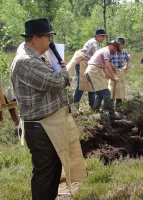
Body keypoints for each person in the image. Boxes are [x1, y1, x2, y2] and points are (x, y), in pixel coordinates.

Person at [10, 18, 86, 200]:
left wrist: (59, 69)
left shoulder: (33, 55)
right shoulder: (26, 61)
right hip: (40, 127)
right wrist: (72, 63)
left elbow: (53, 79)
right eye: (48, 37)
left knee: (52, 170)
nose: (50, 41)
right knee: (45, 174)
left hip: (46, 125)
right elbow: (56, 82)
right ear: (36, 38)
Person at [85, 40, 122, 120]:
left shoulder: (102, 50)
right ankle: (111, 113)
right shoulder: (106, 51)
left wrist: (112, 77)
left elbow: (105, 69)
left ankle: (95, 111)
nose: (115, 51)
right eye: (116, 49)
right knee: (106, 93)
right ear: (112, 46)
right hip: (94, 71)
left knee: (99, 94)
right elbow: (107, 65)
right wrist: (114, 77)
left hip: (92, 71)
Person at [72, 29, 106, 110]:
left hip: (88, 64)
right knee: (81, 85)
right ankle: (74, 106)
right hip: (82, 64)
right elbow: (99, 56)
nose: (103, 38)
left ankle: (92, 105)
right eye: (102, 36)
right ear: (97, 36)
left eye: (104, 36)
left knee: (91, 85)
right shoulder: (94, 43)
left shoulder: (97, 43)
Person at [108, 37, 130, 106]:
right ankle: (110, 103)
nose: (120, 46)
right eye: (119, 44)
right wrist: (112, 67)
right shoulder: (112, 52)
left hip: (121, 71)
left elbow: (128, 58)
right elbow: (107, 61)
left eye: (122, 44)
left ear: (124, 45)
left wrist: (126, 66)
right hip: (113, 71)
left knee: (120, 87)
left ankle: (119, 103)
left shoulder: (124, 52)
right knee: (111, 87)